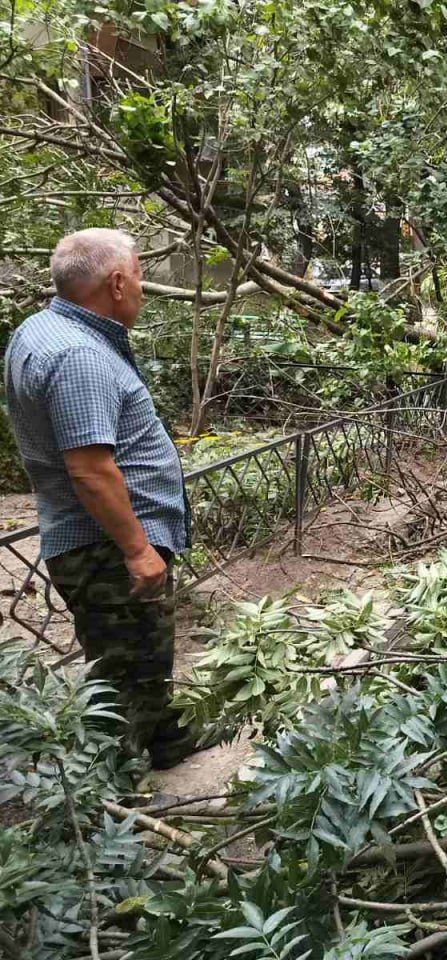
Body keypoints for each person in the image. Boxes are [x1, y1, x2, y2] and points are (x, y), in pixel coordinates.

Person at [5, 228, 199, 770]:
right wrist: (137, 549)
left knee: (144, 655)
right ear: (116, 284)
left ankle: (166, 740)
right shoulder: (78, 356)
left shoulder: (43, 328)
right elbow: (90, 470)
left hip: (102, 541)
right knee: (124, 678)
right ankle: (114, 794)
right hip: (107, 547)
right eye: (139, 277)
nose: (142, 289)